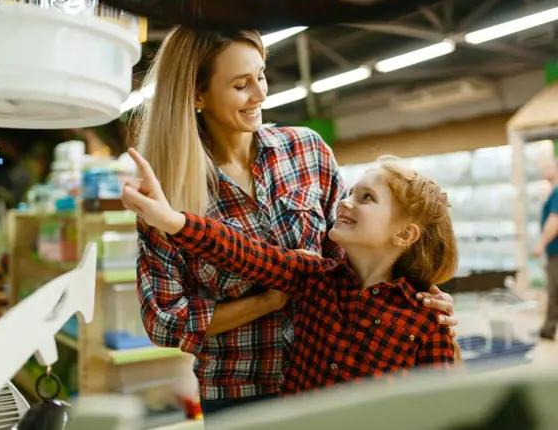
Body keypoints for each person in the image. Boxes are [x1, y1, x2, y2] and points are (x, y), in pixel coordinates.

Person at [130, 26, 458, 416]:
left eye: (261, 75)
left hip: (328, 384)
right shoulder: (167, 192)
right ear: (198, 94)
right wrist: (270, 299)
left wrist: (423, 292)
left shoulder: (307, 150)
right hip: (239, 391)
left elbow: (358, 253)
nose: (261, 93)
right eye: (241, 85)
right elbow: (167, 319)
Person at [123, 150, 458, 395]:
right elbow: (243, 252)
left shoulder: (427, 320)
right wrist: (169, 220)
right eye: (350, 192)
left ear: (404, 235)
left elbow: (440, 408)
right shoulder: (313, 276)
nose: (344, 202)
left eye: (366, 198)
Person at [532, 157, 558, 341]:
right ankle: (547, 329)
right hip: (554, 251)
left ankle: (548, 330)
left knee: (554, 291)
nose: (542, 170)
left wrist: (541, 243)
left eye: (546, 166)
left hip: (555, 251)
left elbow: (555, 221)